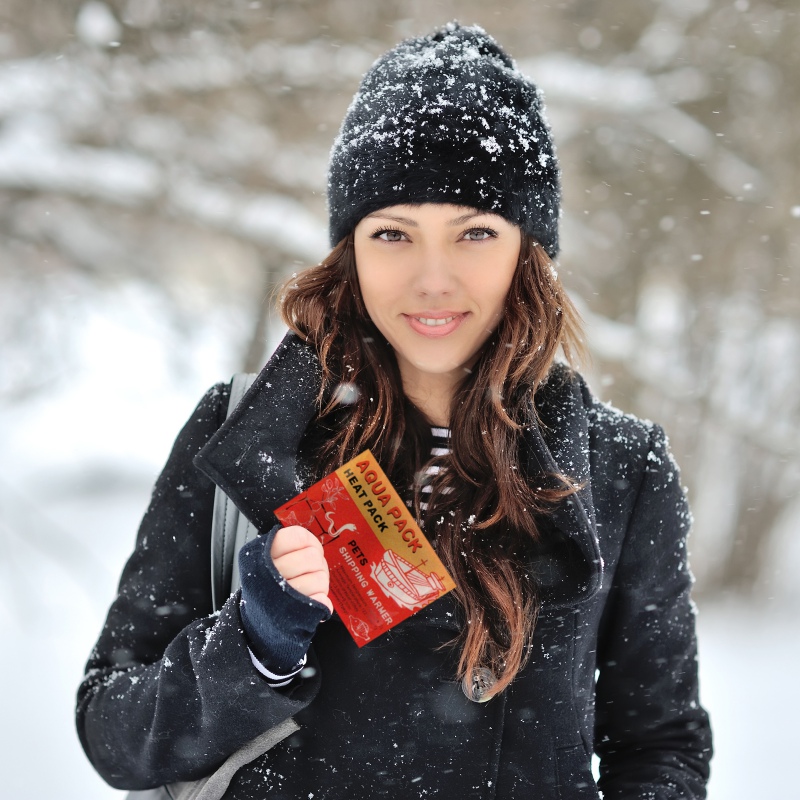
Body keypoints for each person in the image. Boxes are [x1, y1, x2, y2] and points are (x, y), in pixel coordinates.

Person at [76, 23, 712, 800]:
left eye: (475, 232)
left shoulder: (622, 469)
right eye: (393, 234)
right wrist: (254, 644)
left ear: (528, 250)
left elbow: (659, 746)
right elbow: (114, 731)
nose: (432, 280)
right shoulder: (245, 431)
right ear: (352, 249)